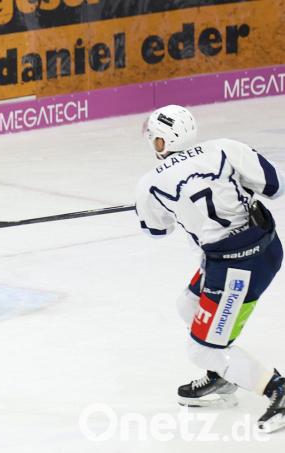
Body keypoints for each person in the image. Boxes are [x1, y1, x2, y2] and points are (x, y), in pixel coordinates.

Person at [134, 104, 285, 433]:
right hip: (265, 248)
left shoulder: (150, 184)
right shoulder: (226, 149)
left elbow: (156, 230)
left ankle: (279, 390)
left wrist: (151, 203)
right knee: (187, 304)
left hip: (237, 269)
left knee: (202, 349)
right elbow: (276, 185)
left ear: (162, 141)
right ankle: (224, 376)